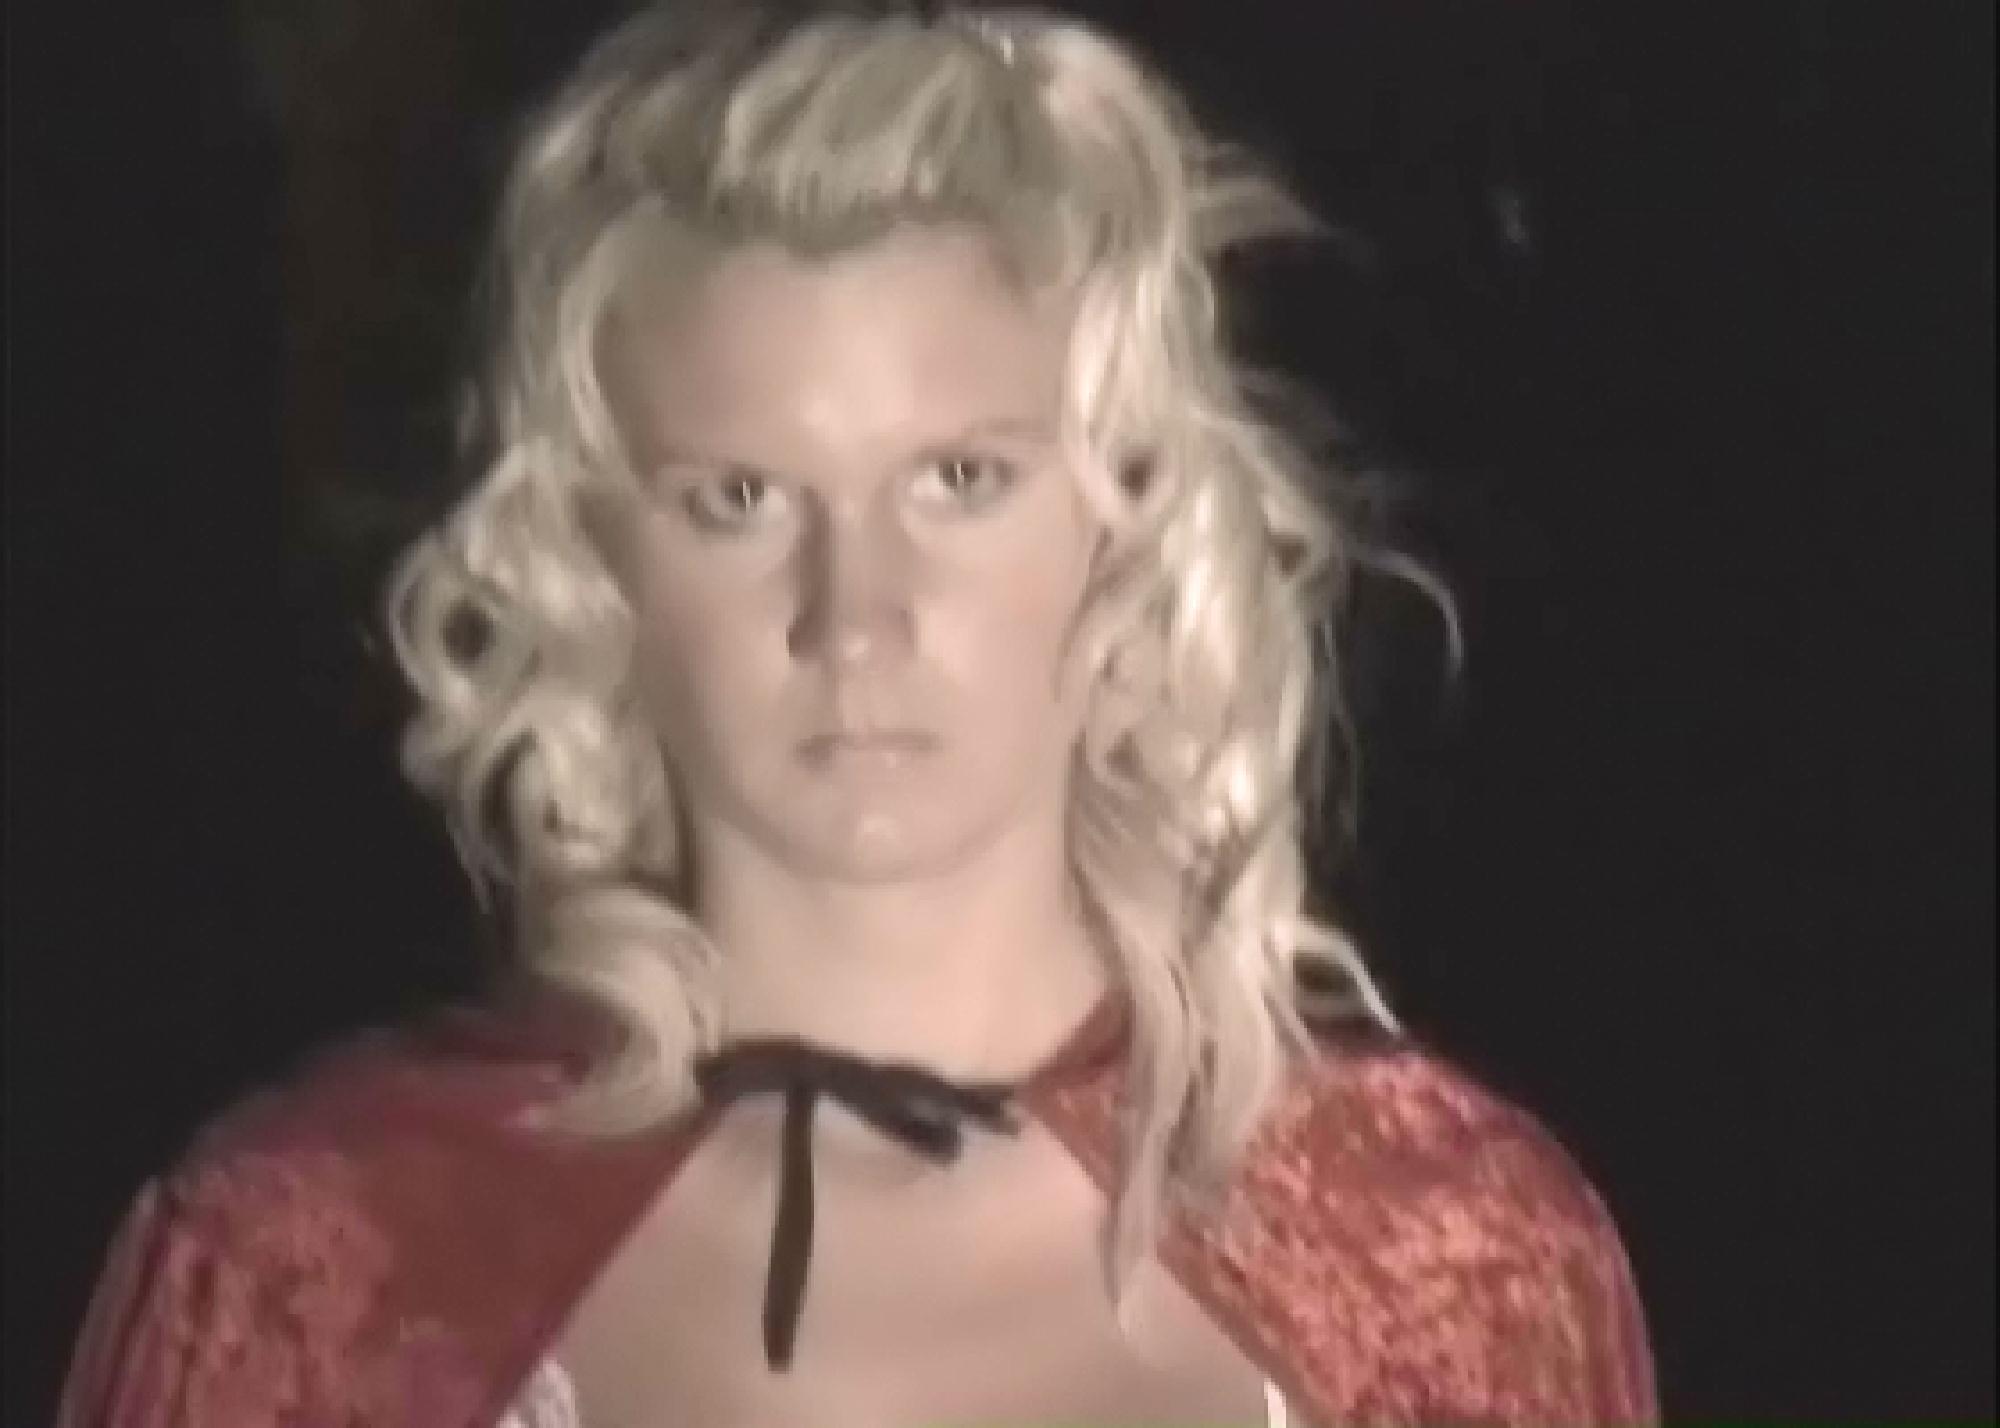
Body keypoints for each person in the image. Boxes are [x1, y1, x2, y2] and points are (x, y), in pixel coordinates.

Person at [58, 4, 1658, 1424]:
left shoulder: (1442, 1260)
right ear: (593, 559)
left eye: (959, 480)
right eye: (741, 498)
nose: (858, 614)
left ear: (1128, 512)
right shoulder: (315, 1275)